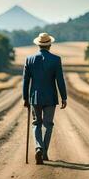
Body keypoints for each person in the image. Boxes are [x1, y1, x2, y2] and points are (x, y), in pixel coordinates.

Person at [23, 32, 67, 165]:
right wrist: (64, 97)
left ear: (38, 45)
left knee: (36, 123)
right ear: (50, 45)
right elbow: (60, 80)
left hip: (35, 98)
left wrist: (25, 98)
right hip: (50, 98)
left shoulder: (29, 59)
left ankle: (38, 148)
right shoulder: (56, 59)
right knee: (48, 125)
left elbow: (26, 81)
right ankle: (44, 153)